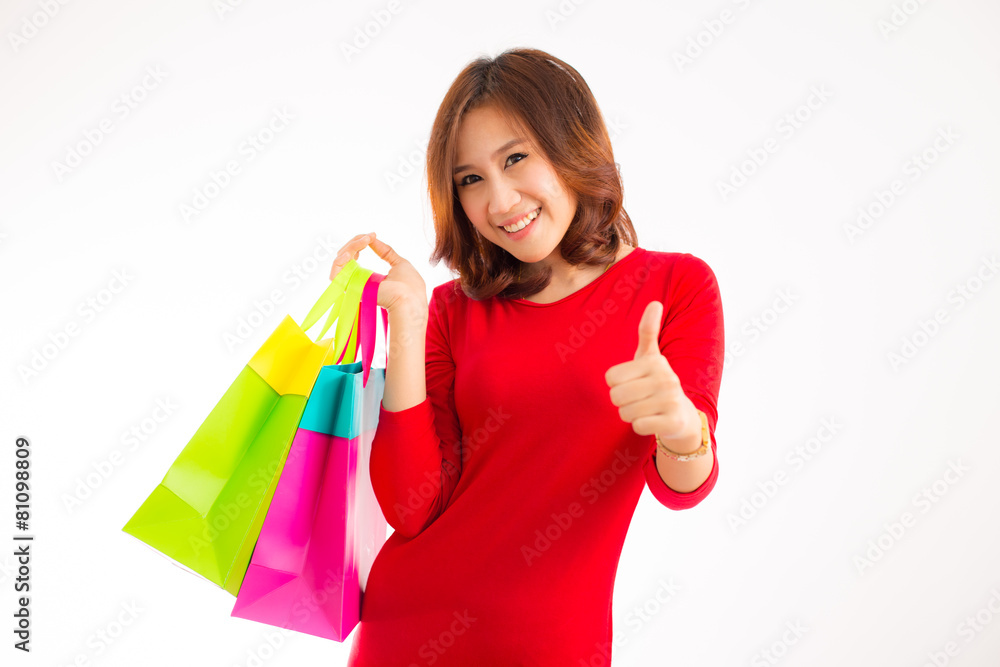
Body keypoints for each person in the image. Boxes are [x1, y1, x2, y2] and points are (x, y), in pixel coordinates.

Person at [332, 47, 725, 666]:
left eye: (516, 159)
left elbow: (683, 487)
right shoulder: (451, 311)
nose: (501, 200)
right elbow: (410, 510)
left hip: (552, 646)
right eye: (471, 179)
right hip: (406, 635)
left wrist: (682, 427)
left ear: (572, 145)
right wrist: (405, 322)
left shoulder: (676, 287)